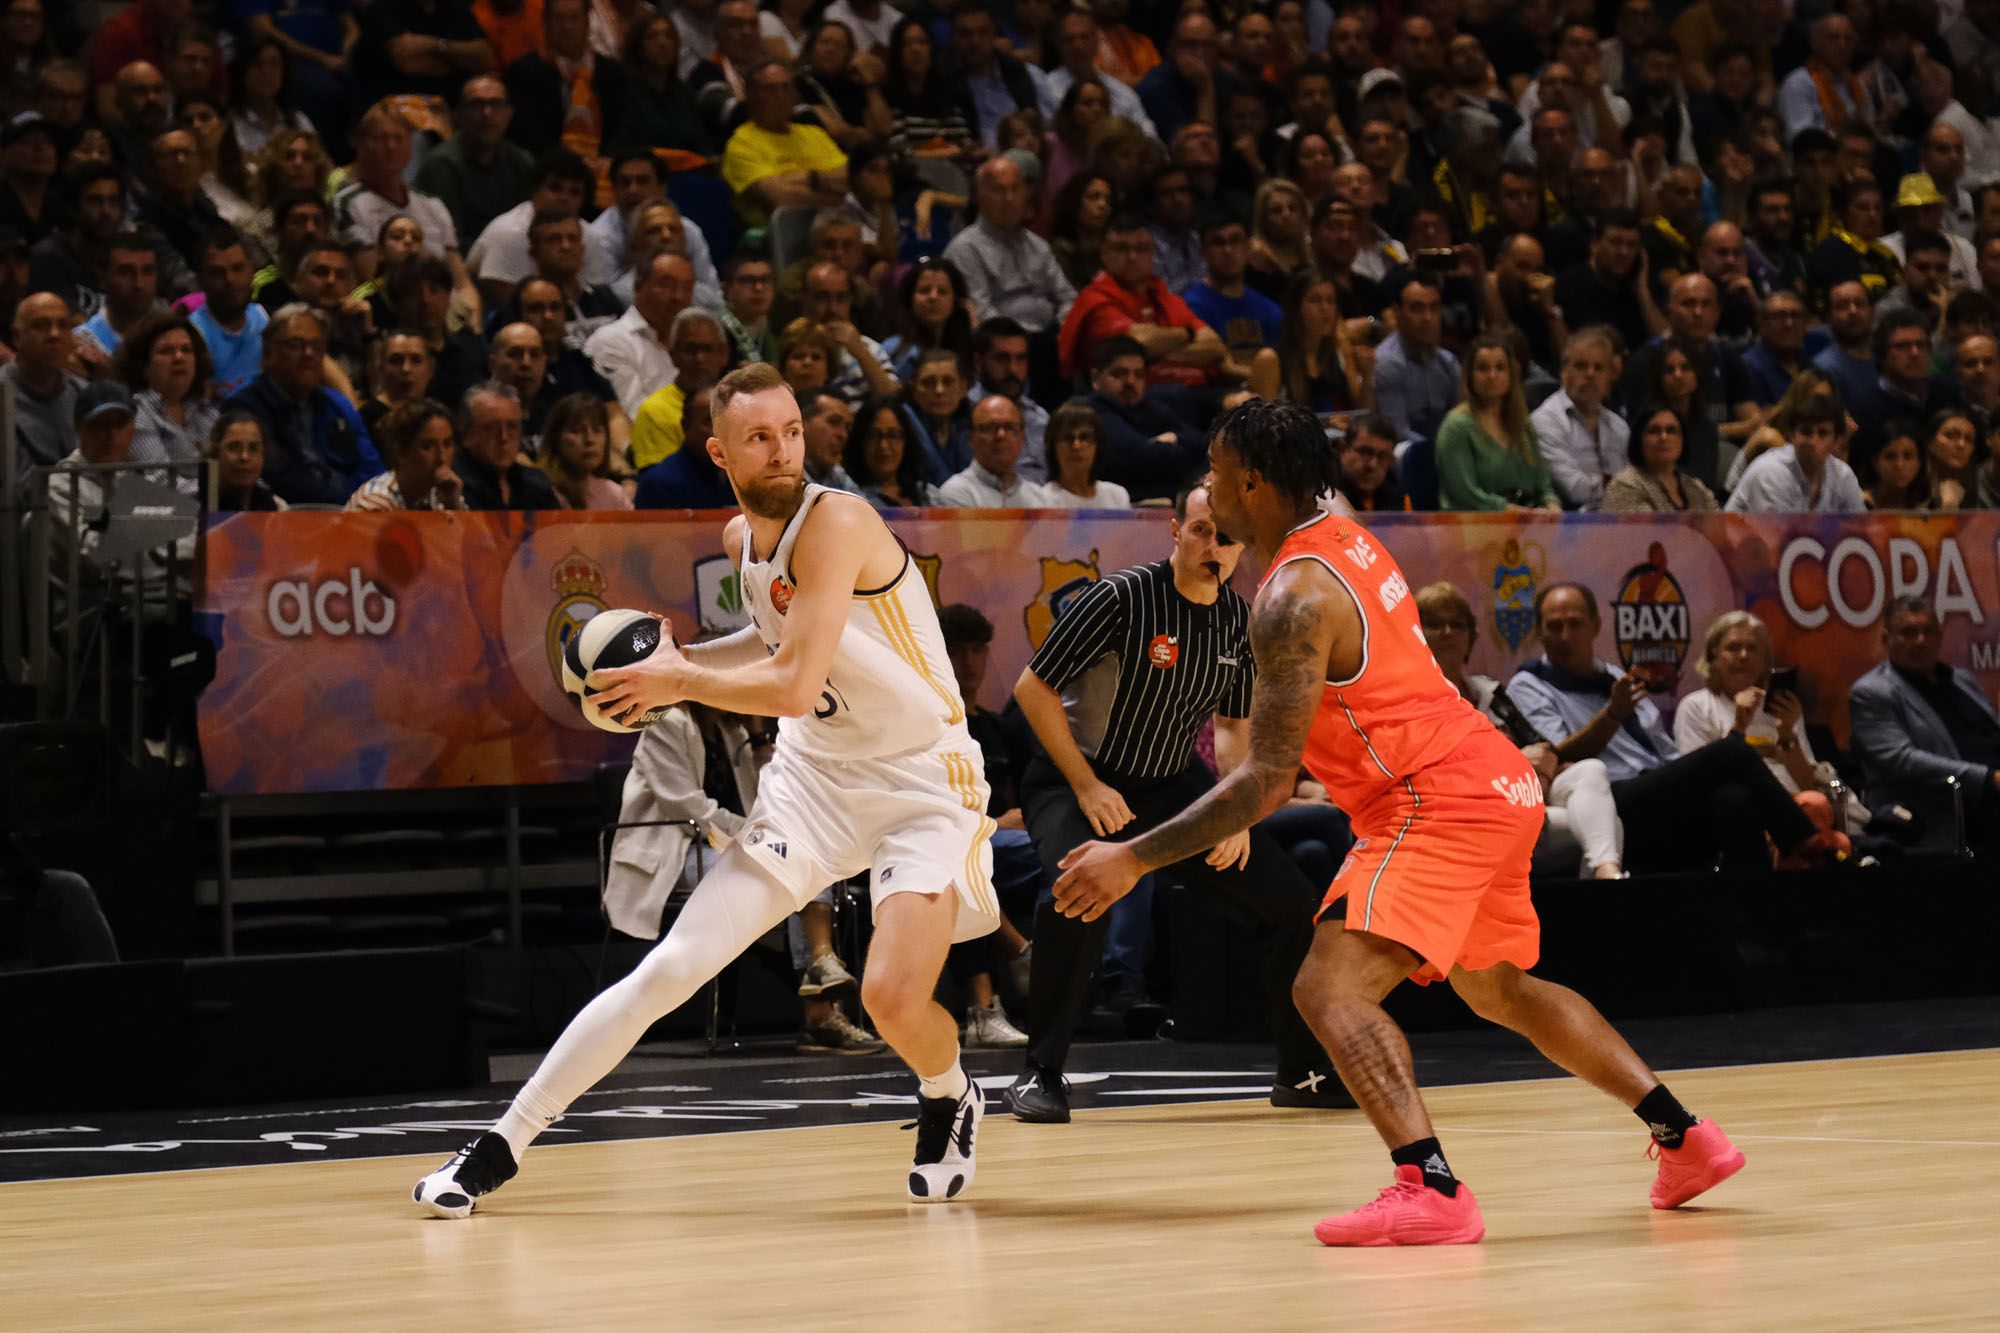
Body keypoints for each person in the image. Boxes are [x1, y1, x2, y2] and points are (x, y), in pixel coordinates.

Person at [1053, 399, 1746, 1246]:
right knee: (1498, 986)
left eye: (1214, 468)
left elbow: (1267, 780)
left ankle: (1431, 1187)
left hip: (1432, 797)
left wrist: (1131, 857)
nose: (1204, 483)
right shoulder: (1348, 538)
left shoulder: (1292, 598)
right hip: (1494, 779)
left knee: (1324, 985)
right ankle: (1687, 1137)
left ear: (1252, 482)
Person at [414, 362, 1002, 1216]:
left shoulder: (837, 521)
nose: (784, 450)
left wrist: (677, 678)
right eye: (761, 437)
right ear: (718, 450)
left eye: (793, 430)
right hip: (816, 778)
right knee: (673, 968)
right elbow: (765, 646)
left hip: (921, 779)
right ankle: (498, 1144)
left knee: (888, 997)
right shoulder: (741, 541)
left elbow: (794, 682)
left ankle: (949, 1090)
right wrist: (676, 664)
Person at [1005, 481, 1345, 1125]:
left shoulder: (1241, 623)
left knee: (1290, 905)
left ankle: (1301, 1071)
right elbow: (1033, 689)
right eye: (1202, 532)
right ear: (1176, 533)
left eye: (1228, 537)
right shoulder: (1119, 597)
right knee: (1079, 892)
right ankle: (1040, 1073)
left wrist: (1235, 811)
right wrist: (1086, 786)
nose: (1214, 546)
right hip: (1074, 777)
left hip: (1168, 783)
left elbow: (1232, 729)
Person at [1676, 611, 1858, 833]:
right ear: (1714, 656)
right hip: (1738, 813)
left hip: (1799, 807)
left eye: (1752, 648)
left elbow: (1807, 784)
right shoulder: (1695, 707)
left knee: (1819, 809)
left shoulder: (1781, 708)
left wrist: (1787, 734)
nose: (1743, 656)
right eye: (1733, 647)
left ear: (1764, 661)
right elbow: (1698, 784)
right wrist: (1739, 726)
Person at [1848, 596, 2000, 847]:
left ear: (1940, 635)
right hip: (1936, 820)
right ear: (1887, 639)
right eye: (1909, 632)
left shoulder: (1962, 680)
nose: (1921, 641)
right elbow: (1901, 760)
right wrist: (1987, 779)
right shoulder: (1871, 692)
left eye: (1928, 631)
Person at [223, 304, 380, 505]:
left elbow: (371, 467)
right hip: (285, 517)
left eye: (316, 346)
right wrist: (348, 499)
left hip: (353, 513)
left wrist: (363, 500)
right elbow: (281, 477)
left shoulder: (336, 404)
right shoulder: (245, 408)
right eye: (296, 345)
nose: (308, 354)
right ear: (269, 351)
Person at [1059, 212, 1231, 387]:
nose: (1133, 257)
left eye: (1141, 248)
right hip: (1134, 399)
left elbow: (1215, 347)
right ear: (1104, 254)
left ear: (1152, 254)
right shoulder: (1094, 300)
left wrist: (1156, 354)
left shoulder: (1163, 296)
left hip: (1192, 390)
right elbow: (1135, 345)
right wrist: (1187, 334)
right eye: (1122, 248)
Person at [941, 157, 1077, 340]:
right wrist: (1021, 338)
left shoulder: (1037, 245)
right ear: (979, 197)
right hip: (1002, 345)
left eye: (1015, 189)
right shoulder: (965, 249)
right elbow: (981, 312)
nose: (1009, 198)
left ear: (1026, 194)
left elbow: (1068, 297)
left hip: (1050, 337)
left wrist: (1062, 328)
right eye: (999, 190)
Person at [1436, 334, 1560, 512]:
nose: (1492, 375)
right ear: (1470, 375)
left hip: (1526, 523)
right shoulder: (1456, 427)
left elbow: (1543, 483)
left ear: (1512, 374)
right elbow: (1466, 496)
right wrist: (1519, 513)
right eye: (1483, 368)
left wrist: (1552, 505)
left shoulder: (1522, 423)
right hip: (1474, 528)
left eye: (1500, 368)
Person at [720, 59, 848, 229]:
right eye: (770, 89)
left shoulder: (815, 133)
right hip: (774, 237)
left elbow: (851, 183)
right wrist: (822, 183)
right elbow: (779, 198)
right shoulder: (741, 144)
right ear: (751, 96)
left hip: (833, 228)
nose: (780, 95)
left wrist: (799, 180)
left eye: (786, 87)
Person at [585, 249, 695, 419]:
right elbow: (634, 416)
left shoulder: (692, 344)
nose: (678, 296)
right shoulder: (612, 340)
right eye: (667, 285)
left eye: (687, 288)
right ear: (638, 286)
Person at [1531, 327, 1628, 509]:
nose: (1590, 374)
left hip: (1619, 525)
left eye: (1599, 368)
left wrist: (1604, 482)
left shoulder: (1619, 427)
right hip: (1567, 527)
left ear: (1610, 376)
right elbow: (1575, 490)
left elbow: (1636, 489)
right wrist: (1619, 485)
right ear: (1564, 371)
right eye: (1581, 366)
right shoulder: (1546, 421)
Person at [116, 311, 217, 484]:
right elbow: (162, 484)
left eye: (186, 350)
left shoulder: (205, 411)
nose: (179, 357)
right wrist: (221, 491)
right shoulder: (136, 413)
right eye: (166, 351)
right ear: (143, 365)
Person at [631, 309, 734, 469]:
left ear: (724, 354)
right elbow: (661, 481)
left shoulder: (739, 404)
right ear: (672, 355)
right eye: (690, 350)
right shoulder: (654, 411)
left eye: (707, 349)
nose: (699, 359)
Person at [1726, 397, 1865, 513]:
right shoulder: (1770, 473)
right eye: (1806, 432)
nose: (1813, 441)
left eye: (1822, 433)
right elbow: (1778, 539)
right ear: (1791, 435)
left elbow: (1861, 531)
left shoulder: (1843, 475)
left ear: (1836, 439)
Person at [1373, 276, 1461, 442]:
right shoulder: (1388, 362)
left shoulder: (1448, 362)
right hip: (1406, 455)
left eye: (1434, 308)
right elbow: (1397, 432)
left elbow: (1461, 420)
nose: (1427, 318)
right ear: (1396, 313)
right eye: (1417, 308)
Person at [4, 289, 84, 470]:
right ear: (17, 337)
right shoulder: (2, 397)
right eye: (40, 326)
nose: (54, 334)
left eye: (63, 325)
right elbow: (18, 487)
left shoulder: (82, 392)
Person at [345, 399, 469, 511]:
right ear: (400, 451)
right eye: (427, 447)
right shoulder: (374, 503)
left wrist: (453, 504)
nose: (441, 457)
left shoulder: (443, 492)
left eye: (447, 444)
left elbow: (470, 536)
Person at [453, 381, 560, 509]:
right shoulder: (451, 486)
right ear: (465, 434)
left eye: (512, 427)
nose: (503, 437)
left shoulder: (536, 484)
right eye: (491, 428)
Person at [1602, 406, 1721, 513]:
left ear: (1682, 441)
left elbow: (1720, 528)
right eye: (1654, 431)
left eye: (1671, 431)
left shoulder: (1695, 488)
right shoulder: (1625, 485)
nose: (1663, 437)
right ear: (1639, 441)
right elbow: (1646, 535)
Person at [934, 395, 1036, 507]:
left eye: (1010, 427)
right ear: (971, 438)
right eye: (991, 427)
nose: (1001, 435)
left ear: (1022, 437)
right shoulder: (955, 493)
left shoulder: (1038, 497)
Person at [537, 392, 633, 510]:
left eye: (597, 430)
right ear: (556, 439)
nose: (590, 440)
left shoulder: (615, 494)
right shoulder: (541, 492)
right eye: (576, 431)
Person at [1034, 401, 1130, 509]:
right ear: (1052, 447)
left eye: (1085, 437)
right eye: (1067, 437)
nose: (1076, 446)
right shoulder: (1044, 501)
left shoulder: (1118, 496)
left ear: (1098, 445)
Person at [843, 396, 933, 508]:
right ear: (860, 440)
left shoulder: (926, 493)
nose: (883, 445)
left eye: (893, 435)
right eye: (873, 435)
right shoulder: (847, 495)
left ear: (906, 441)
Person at [206, 411, 286, 511]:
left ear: (263, 456)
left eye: (253, 448)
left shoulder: (277, 507)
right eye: (233, 447)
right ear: (215, 454)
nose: (244, 457)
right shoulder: (194, 511)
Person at [1335, 415, 1411, 512]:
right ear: (1343, 449)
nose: (1372, 465)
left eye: (1383, 456)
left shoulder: (1398, 496)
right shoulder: (1322, 497)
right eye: (1365, 452)